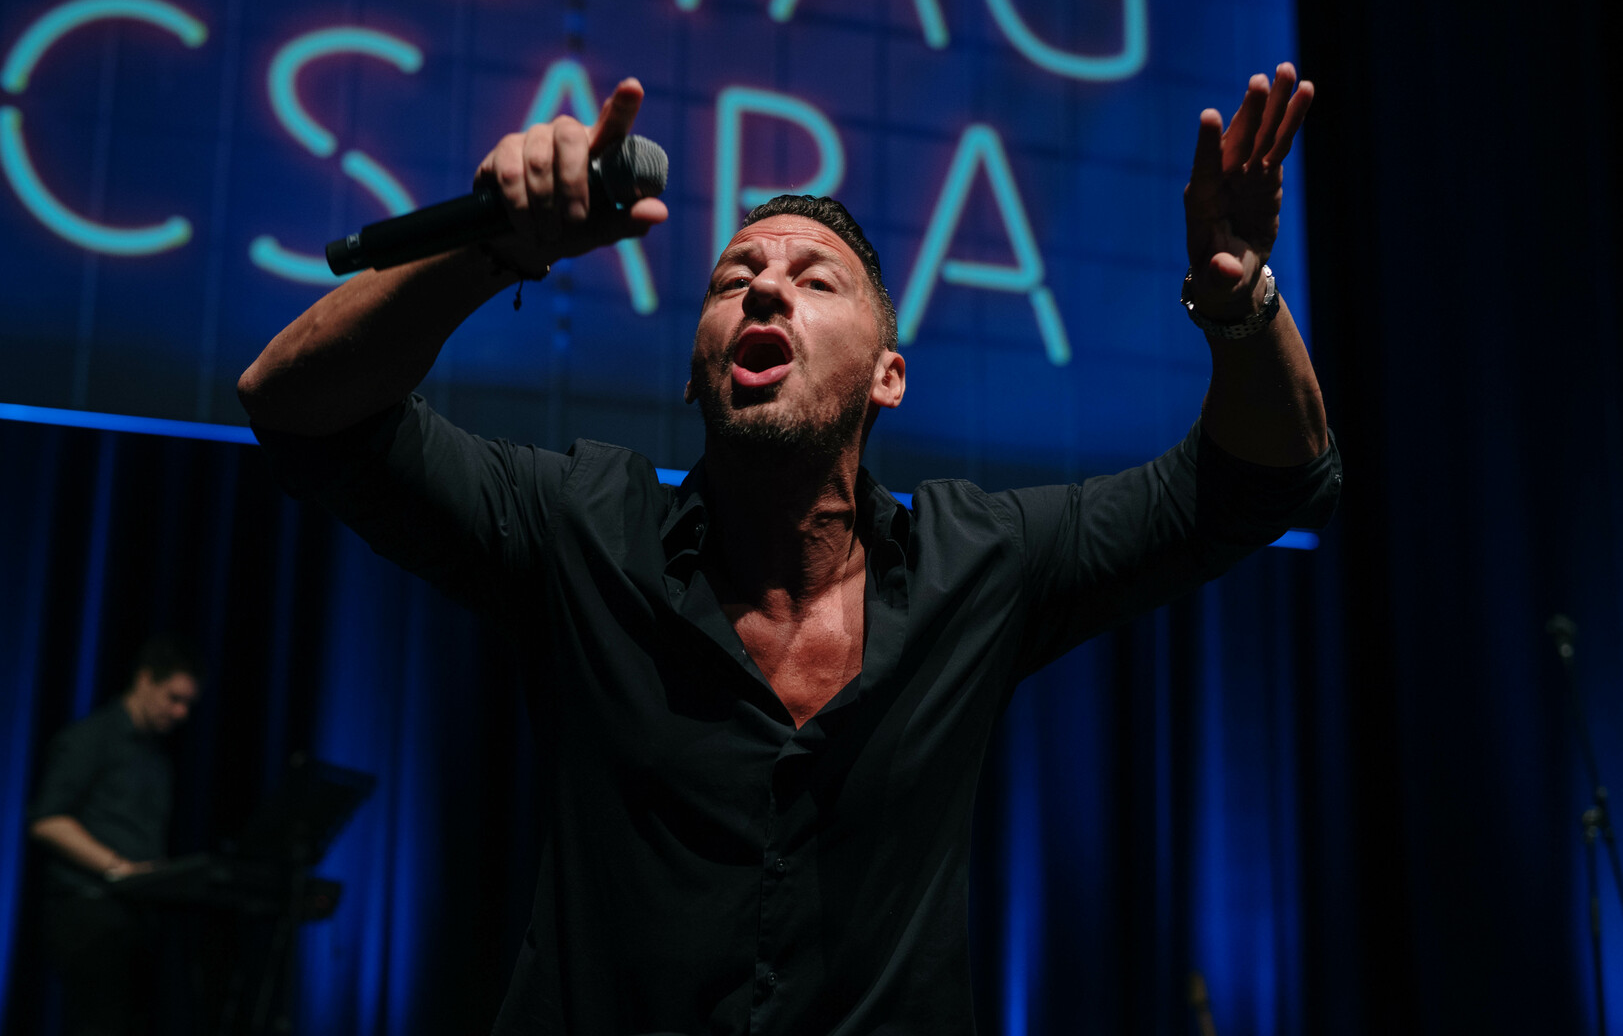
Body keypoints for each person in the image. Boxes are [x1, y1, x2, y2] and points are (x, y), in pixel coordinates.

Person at [237, 66, 1339, 1034]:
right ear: (697, 373)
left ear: (888, 378)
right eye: (733, 281)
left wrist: (1238, 297)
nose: (764, 285)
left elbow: (1260, 484)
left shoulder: (979, 564)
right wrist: (487, 250)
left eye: (815, 281)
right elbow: (299, 410)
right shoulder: (580, 527)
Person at [28, 636, 202, 1036]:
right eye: (174, 698)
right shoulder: (93, 737)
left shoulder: (156, 757)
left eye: (188, 704)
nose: (181, 712)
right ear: (144, 680)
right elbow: (47, 820)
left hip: (136, 916)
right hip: (88, 910)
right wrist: (121, 868)